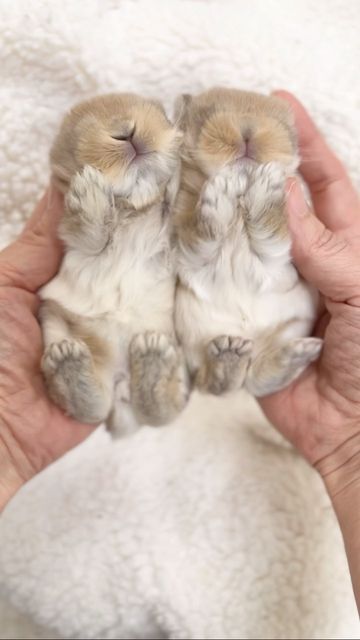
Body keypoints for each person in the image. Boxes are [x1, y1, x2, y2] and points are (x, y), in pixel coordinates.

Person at [0, 92, 359, 610]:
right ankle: (95, 388)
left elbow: (201, 250)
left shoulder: (190, 196)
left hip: (200, 322)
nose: (125, 131)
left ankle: (159, 387)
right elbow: (160, 247)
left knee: (174, 350)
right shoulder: (152, 197)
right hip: (91, 317)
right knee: (73, 338)